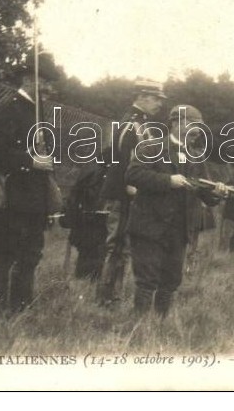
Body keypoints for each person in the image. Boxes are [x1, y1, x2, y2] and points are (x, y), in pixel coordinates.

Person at [125, 104, 227, 317]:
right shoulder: (151, 147)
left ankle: (159, 329)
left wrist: (217, 191)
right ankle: (138, 331)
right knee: (147, 279)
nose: (197, 130)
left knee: (171, 280)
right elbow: (133, 175)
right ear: (176, 123)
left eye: (199, 125)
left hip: (179, 231)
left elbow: (205, 192)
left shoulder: (196, 157)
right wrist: (167, 181)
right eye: (192, 123)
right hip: (149, 227)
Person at [0, 52, 63, 313]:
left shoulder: (39, 113)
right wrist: (29, 161)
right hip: (12, 196)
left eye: (50, 82)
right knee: (5, 252)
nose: (49, 88)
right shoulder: (10, 109)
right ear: (28, 79)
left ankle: (21, 310)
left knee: (30, 255)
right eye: (45, 81)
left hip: (35, 198)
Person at [96, 79, 167, 306]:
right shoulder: (131, 124)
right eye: (155, 99)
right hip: (124, 194)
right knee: (116, 246)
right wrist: (130, 189)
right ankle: (107, 298)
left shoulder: (142, 124)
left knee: (123, 247)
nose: (159, 104)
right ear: (141, 97)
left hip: (130, 192)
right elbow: (118, 161)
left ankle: (112, 295)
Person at [61, 157, 111, 281]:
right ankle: (86, 286)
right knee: (92, 255)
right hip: (90, 221)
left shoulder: (92, 168)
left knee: (91, 254)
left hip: (89, 220)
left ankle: (86, 285)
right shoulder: (97, 171)